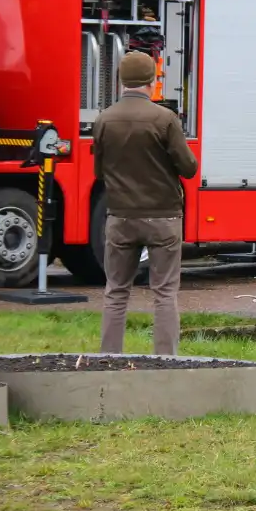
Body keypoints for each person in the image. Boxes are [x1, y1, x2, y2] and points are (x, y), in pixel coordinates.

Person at [94, 51, 198, 355]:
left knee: (115, 292)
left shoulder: (104, 119)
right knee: (165, 293)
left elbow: (98, 171)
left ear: (121, 81)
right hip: (163, 218)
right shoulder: (165, 119)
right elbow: (188, 168)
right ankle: (166, 361)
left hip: (120, 218)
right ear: (152, 82)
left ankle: (109, 359)